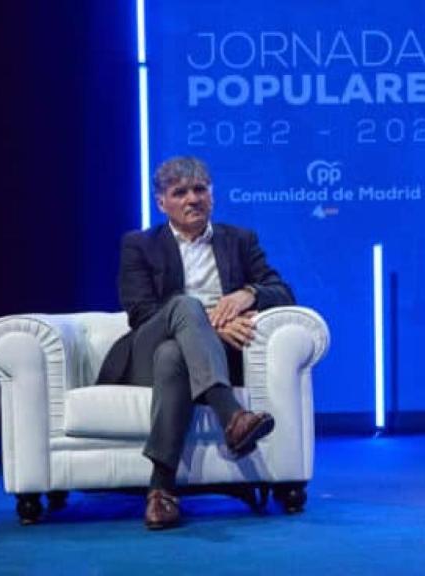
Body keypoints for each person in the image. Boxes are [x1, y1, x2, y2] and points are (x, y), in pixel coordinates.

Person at [97, 156, 295, 530]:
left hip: (199, 363)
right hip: (146, 351)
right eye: (180, 192)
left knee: (175, 357)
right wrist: (211, 328)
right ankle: (232, 417)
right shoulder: (139, 245)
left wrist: (248, 293)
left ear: (212, 196)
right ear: (162, 203)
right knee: (182, 310)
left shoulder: (239, 240)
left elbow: (283, 291)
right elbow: (141, 313)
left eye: (200, 190)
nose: (192, 199)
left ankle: (160, 492)